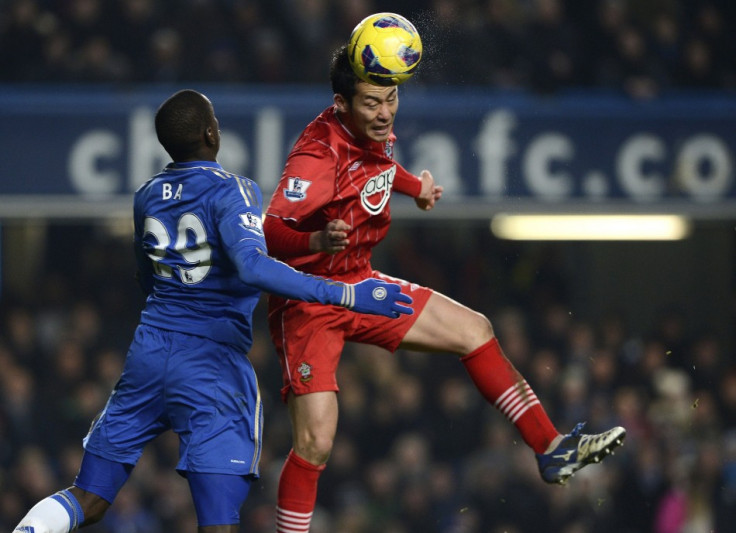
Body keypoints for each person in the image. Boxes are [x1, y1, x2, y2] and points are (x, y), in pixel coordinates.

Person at [12, 89, 414, 533]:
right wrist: (345, 295)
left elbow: (145, 276)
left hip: (148, 353)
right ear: (210, 133)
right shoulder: (232, 189)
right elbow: (253, 266)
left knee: (88, 498)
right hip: (210, 363)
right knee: (218, 522)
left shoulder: (146, 196)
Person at [263, 44, 627, 532]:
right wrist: (314, 238)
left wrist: (417, 189)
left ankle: (551, 449)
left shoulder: (374, 130)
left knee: (475, 329)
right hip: (309, 299)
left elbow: (377, 170)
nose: (385, 111)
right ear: (340, 103)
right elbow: (269, 230)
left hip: (361, 281)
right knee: (316, 441)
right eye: (372, 103)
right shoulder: (317, 151)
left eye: (391, 99)